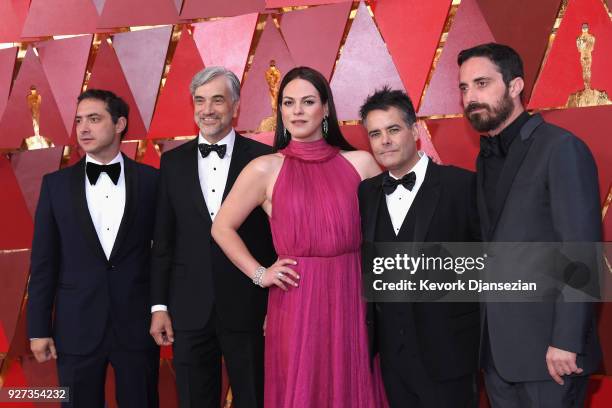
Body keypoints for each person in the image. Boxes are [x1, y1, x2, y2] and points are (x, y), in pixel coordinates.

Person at [211, 66, 382, 407]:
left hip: (351, 293)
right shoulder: (265, 168)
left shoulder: (361, 163)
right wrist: (261, 274)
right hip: (297, 298)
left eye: (307, 101)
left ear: (326, 109)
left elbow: (390, 233)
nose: (297, 111)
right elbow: (221, 227)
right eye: (288, 103)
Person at [458, 42, 602, 407]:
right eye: (464, 88)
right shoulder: (484, 158)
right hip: (497, 357)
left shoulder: (560, 148)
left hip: (551, 356)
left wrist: (567, 340)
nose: (470, 97)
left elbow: (581, 250)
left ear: (515, 86)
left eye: (481, 83)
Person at [149, 66, 276, 408]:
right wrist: (159, 306)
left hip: (249, 304)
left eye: (217, 100)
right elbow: (163, 242)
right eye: (200, 100)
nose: (207, 109)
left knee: (255, 397)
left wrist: (276, 302)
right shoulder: (172, 163)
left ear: (236, 107)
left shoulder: (265, 159)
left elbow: (281, 236)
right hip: (189, 309)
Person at [27, 89, 159, 407]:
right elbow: (44, 262)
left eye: (94, 119)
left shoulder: (153, 181)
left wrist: (161, 310)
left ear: (120, 124)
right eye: (79, 120)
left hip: (137, 325)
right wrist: (38, 329)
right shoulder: (54, 186)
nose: (83, 128)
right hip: (75, 327)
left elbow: (163, 255)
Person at [358, 87, 481, 407]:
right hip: (391, 358)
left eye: (393, 129)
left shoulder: (462, 186)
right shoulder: (366, 193)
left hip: (450, 353)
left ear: (415, 131)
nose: (384, 140)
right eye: (375, 133)